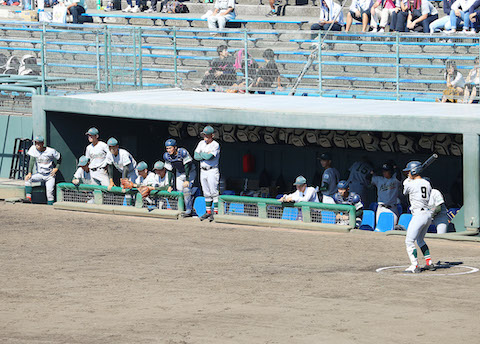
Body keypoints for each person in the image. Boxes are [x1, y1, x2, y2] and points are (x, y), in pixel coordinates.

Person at [402, 161, 435, 273]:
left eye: (409, 172)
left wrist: (408, 179)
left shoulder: (409, 183)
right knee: (420, 240)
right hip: (427, 214)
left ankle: (414, 265)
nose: (407, 174)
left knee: (409, 241)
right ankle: (429, 262)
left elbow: (405, 192)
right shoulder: (427, 183)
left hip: (418, 215)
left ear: (414, 171)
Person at [163, 138, 197, 217]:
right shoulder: (166, 156)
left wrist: (187, 180)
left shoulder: (182, 152)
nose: (168, 150)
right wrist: (169, 185)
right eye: (167, 148)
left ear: (175, 147)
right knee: (179, 191)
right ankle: (182, 209)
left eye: (170, 148)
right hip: (179, 173)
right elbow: (169, 171)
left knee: (186, 189)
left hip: (190, 172)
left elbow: (187, 166)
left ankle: (189, 210)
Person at [24, 135, 61, 205]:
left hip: (49, 175)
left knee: (49, 193)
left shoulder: (51, 151)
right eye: (36, 143)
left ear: (42, 143)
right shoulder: (33, 149)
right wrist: (29, 172)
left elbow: (59, 158)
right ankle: (28, 198)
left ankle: (50, 208)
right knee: (27, 179)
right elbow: (31, 161)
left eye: (39, 143)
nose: (37, 145)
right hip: (40, 174)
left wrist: (56, 168)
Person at [194, 126, 221, 222]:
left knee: (214, 192)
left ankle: (216, 213)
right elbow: (195, 156)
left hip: (212, 170)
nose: (205, 137)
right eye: (204, 135)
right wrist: (203, 155)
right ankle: (208, 212)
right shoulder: (201, 143)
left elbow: (209, 157)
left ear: (212, 135)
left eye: (207, 135)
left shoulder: (215, 145)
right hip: (203, 170)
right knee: (206, 192)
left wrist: (203, 155)